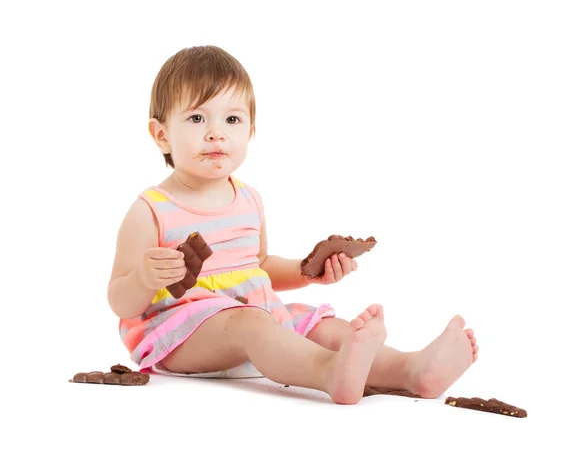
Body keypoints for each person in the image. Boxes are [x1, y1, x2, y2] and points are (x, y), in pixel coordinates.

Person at [107, 45, 479, 404]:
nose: (216, 132)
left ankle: (412, 370)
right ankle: (330, 374)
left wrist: (307, 273)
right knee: (253, 324)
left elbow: (260, 267)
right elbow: (119, 301)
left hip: (254, 316)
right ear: (161, 135)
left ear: (250, 130)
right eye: (197, 118)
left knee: (319, 326)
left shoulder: (249, 199)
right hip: (177, 335)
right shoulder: (151, 210)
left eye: (232, 119)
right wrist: (144, 278)